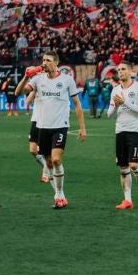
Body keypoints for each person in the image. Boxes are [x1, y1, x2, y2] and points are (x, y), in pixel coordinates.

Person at [15, 51, 87, 209]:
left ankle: (59, 194)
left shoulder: (67, 80)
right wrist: (26, 76)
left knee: (56, 160)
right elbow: (18, 92)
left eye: (48, 60)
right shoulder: (37, 79)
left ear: (56, 63)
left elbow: (77, 104)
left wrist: (82, 128)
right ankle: (59, 196)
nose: (44, 62)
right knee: (48, 162)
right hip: (42, 127)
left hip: (60, 126)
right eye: (43, 60)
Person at [107, 61, 138, 209]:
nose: (121, 72)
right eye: (119, 70)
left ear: (130, 71)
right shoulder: (115, 90)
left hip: (135, 130)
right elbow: (109, 115)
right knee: (123, 168)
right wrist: (117, 105)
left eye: (123, 69)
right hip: (120, 131)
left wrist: (126, 102)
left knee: (133, 164)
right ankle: (127, 200)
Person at [26, 88, 51, 183]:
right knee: (32, 150)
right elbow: (28, 101)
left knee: (44, 151)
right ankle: (47, 166)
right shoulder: (37, 87)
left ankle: (46, 173)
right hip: (35, 121)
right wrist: (34, 90)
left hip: (47, 122)